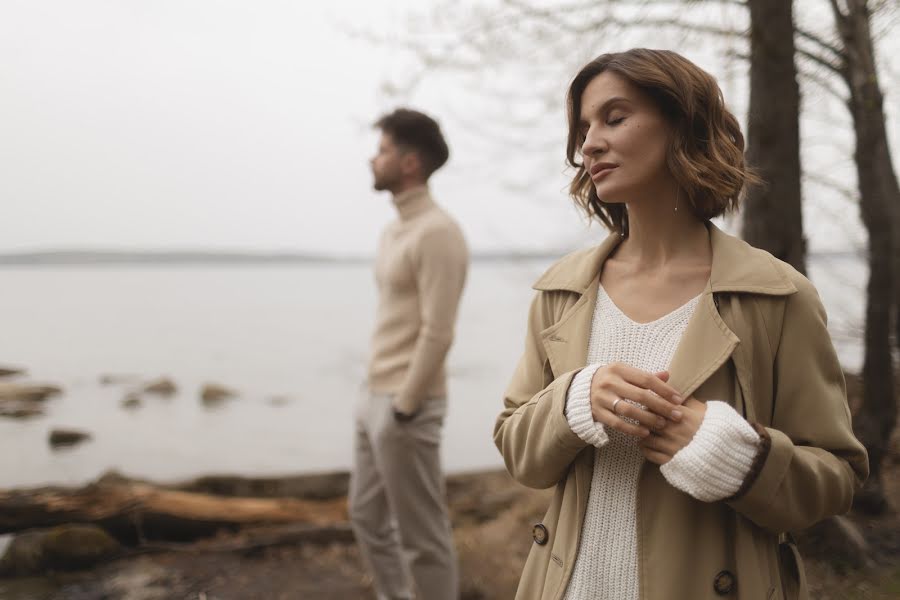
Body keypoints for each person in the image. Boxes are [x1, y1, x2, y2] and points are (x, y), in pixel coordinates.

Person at [494, 49, 868, 600]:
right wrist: (573, 400)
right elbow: (516, 447)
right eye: (583, 128)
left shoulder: (778, 296)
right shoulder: (561, 292)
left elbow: (836, 477)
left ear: (684, 126)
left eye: (614, 118)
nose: (588, 143)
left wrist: (739, 457)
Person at [350, 108, 468, 600]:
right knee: (365, 516)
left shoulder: (438, 232)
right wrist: (373, 397)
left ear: (409, 162)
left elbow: (438, 332)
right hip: (373, 394)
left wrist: (404, 404)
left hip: (406, 403)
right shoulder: (393, 231)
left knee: (423, 537)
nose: (371, 159)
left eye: (381, 151)